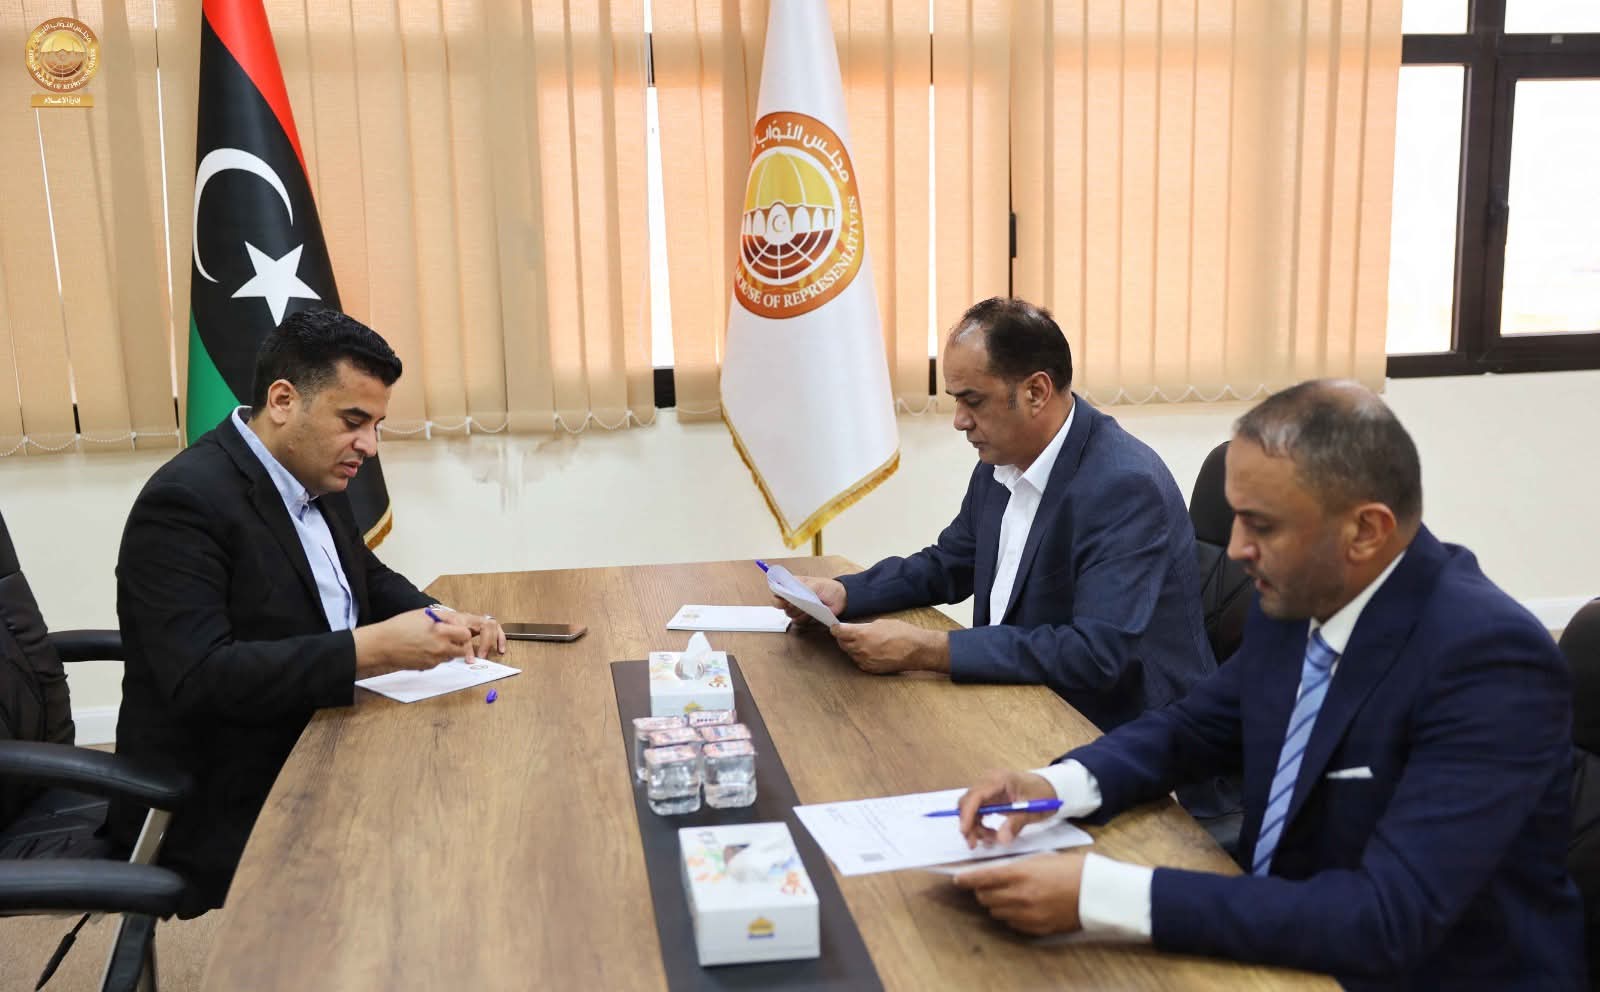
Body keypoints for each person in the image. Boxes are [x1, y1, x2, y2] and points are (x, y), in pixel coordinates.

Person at [950, 380, 1585, 989]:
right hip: (1282, 945)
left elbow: (1387, 919)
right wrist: (1054, 787)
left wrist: (1103, 894)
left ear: (1366, 531)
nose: (1235, 550)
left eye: (1262, 526)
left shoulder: (1491, 663)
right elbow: (1190, 729)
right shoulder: (1302, 598)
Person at [108, 310, 505, 916]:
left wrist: (440, 615)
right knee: (439, 836)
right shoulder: (184, 503)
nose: (369, 447)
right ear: (283, 401)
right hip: (224, 785)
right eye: (353, 421)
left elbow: (364, 576)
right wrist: (373, 650)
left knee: (476, 787)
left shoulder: (310, 470)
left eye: (375, 425)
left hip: (321, 729)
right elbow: (200, 679)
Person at [779, 297, 1214, 733]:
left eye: (973, 401)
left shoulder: (1123, 486)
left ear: (1035, 392)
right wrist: (845, 592)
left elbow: (1093, 654)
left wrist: (931, 650)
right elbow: (949, 563)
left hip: (1131, 733)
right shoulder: (1001, 462)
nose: (959, 421)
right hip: (1026, 705)